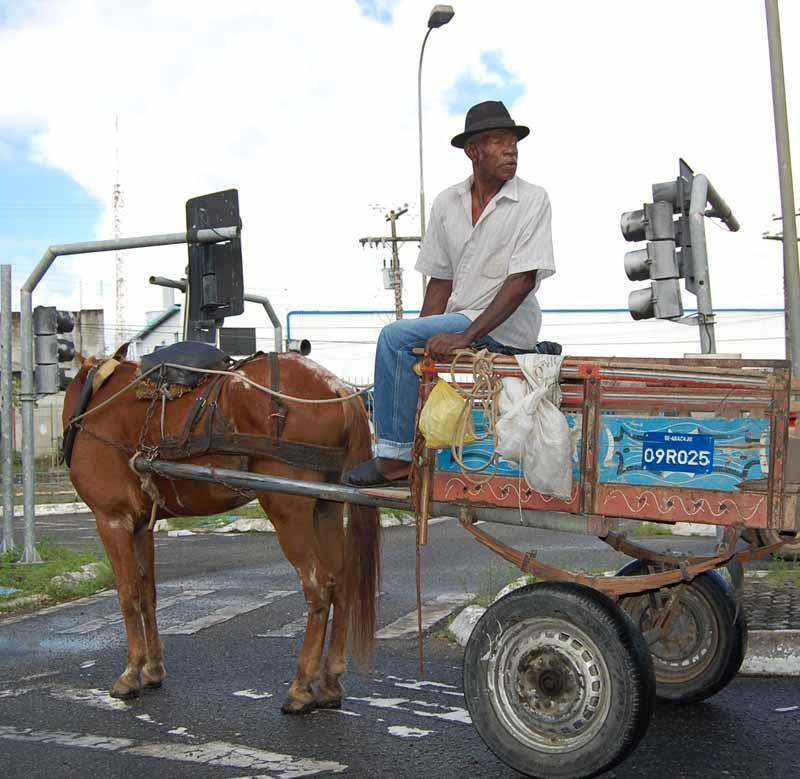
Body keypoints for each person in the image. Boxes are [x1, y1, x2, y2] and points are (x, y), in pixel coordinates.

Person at [343, 100, 555, 487]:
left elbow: (523, 280)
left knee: (392, 337)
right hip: (462, 319)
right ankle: (413, 442)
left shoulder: (532, 199)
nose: (510, 149)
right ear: (473, 151)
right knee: (404, 343)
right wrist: (421, 345)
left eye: (513, 142)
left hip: (507, 326)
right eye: (498, 141)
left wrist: (465, 336)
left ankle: (394, 458)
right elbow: (440, 282)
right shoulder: (447, 203)